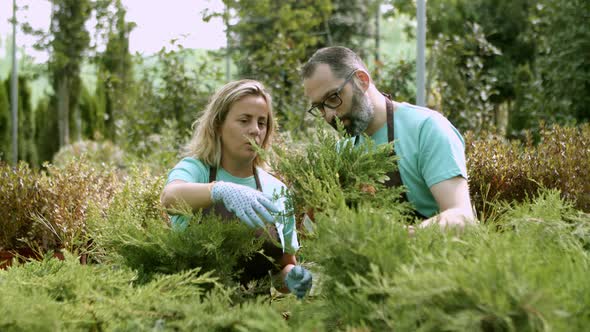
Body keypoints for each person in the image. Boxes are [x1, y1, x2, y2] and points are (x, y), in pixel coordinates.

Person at [160, 79, 312, 298]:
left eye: (262, 122)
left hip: (253, 320)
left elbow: (282, 268)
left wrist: (292, 277)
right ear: (218, 125)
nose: (255, 130)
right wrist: (219, 191)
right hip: (190, 316)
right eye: (244, 120)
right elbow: (170, 198)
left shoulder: (276, 190)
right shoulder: (196, 170)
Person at [301, 46, 476, 230]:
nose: (329, 115)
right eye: (320, 107)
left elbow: (461, 216)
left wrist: (404, 237)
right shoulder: (341, 153)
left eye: (333, 97)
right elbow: (310, 232)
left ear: (361, 80)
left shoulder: (426, 129)